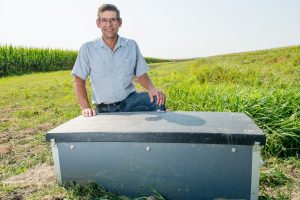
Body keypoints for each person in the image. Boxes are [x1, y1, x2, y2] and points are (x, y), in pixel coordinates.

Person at [72, 4, 166, 117]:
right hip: (104, 109)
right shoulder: (87, 48)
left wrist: (152, 88)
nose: (109, 24)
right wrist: (85, 107)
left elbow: (141, 74)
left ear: (120, 22)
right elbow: (79, 80)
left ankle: (158, 132)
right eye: (104, 20)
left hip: (129, 101)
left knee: (157, 99)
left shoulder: (131, 45)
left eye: (113, 20)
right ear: (98, 23)